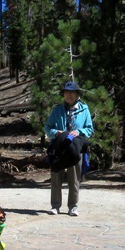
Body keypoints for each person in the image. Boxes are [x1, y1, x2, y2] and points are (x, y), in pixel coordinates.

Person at [44, 81, 94, 216]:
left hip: (75, 147)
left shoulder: (84, 109)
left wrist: (79, 131)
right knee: (56, 177)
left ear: (77, 94)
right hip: (59, 147)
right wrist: (56, 133)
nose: (69, 95)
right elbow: (48, 127)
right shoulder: (57, 110)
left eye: (72, 93)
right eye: (67, 93)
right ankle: (55, 206)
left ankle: (73, 206)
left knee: (74, 178)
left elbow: (89, 128)